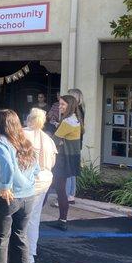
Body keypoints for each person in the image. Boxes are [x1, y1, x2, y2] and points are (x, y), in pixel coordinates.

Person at [0, 109, 38, 263]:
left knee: (0, 237)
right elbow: (36, 167)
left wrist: (5, 186)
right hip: (28, 197)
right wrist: (30, 183)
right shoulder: (25, 142)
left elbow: (7, 164)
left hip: (6, 197)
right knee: (20, 234)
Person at [23, 108, 57, 263]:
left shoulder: (22, 134)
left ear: (29, 118)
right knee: (34, 216)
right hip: (45, 178)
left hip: (29, 178)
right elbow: (52, 162)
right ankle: (31, 252)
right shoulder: (48, 139)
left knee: (11, 214)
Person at [52, 95, 83, 231]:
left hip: (63, 159)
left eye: (63, 105)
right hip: (72, 158)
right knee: (60, 189)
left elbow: (54, 140)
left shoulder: (67, 122)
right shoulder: (77, 119)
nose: (60, 107)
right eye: (60, 104)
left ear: (70, 106)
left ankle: (62, 221)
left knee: (59, 190)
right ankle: (62, 219)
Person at [67, 88, 85, 203]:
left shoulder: (74, 111)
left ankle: (66, 196)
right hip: (78, 142)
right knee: (72, 170)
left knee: (67, 171)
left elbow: (70, 127)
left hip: (71, 143)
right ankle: (71, 195)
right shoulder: (82, 109)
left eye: (69, 96)